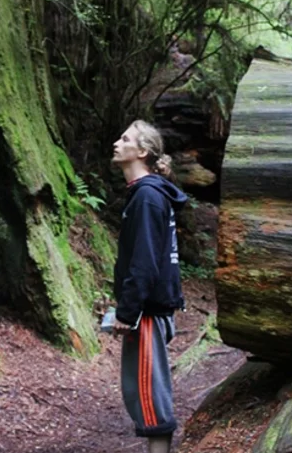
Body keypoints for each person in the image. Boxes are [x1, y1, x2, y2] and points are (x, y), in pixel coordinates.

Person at [110, 120, 187, 453]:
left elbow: (145, 262)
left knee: (151, 401)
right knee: (142, 395)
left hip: (147, 314)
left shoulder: (147, 197)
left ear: (141, 151)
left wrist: (127, 311)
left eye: (125, 138)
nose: (117, 143)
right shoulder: (146, 194)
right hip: (147, 311)